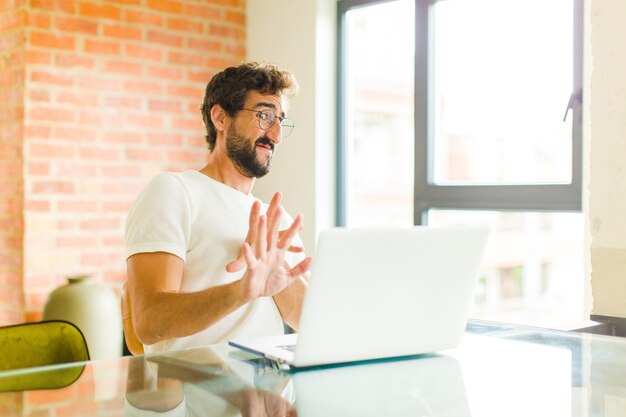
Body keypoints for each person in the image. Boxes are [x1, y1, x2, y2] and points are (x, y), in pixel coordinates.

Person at [124, 62, 312, 354]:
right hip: (194, 392)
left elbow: (305, 319)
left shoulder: (276, 219)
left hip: (267, 392)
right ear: (221, 117)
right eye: (265, 116)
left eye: (280, 122)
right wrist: (242, 290)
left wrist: (277, 267)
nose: (275, 135)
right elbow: (149, 323)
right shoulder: (174, 192)